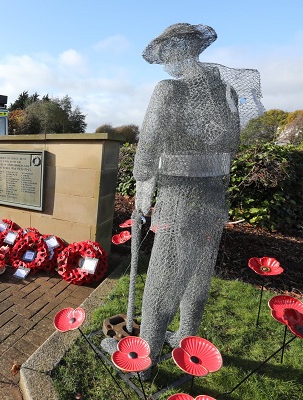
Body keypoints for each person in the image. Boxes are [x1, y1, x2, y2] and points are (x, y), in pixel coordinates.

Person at [132, 23, 241, 366]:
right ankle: (185, 336)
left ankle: (144, 362)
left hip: (179, 196)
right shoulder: (226, 91)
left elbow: (147, 147)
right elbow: (233, 146)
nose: (165, 64)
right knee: (198, 270)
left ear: (178, 51)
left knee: (162, 279)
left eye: (166, 55)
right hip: (213, 196)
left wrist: (142, 193)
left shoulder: (167, 90)